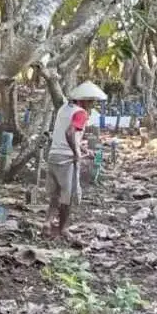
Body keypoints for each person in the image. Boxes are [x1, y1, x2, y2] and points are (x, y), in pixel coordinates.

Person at [46, 81, 102, 239]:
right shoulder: (81, 113)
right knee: (68, 196)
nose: (91, 104)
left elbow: (67, 134)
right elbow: (70, 133)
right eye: (90, 101)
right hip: (66, 159)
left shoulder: (63, 109)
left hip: (53, 155)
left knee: (55, 194)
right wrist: (76, 152)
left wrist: (84, 149)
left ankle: (48, 222)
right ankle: (63, 229)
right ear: (83, 100)